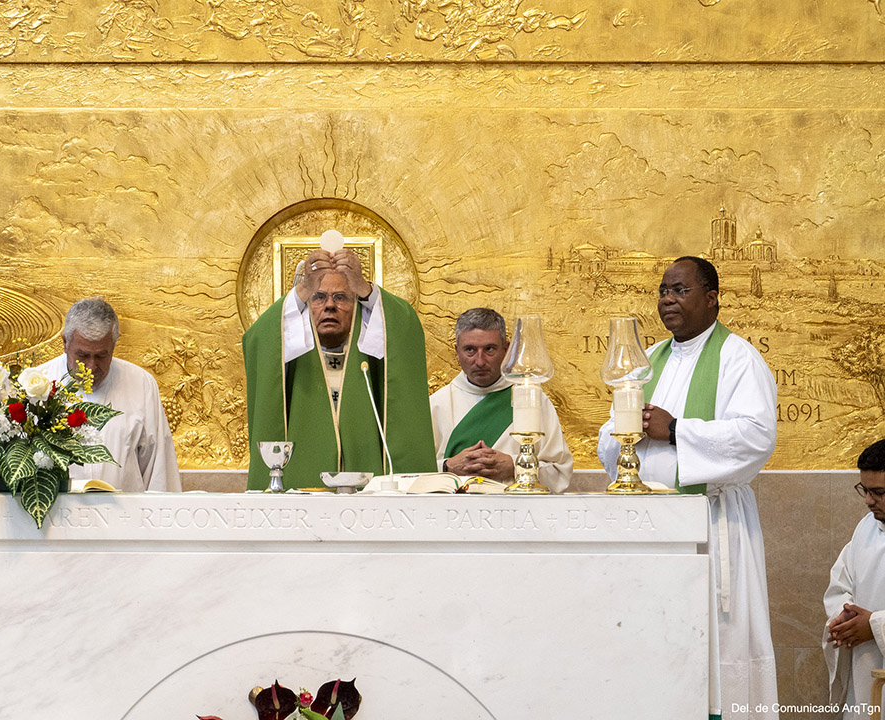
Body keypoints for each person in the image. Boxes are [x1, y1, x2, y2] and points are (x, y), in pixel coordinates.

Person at [597, 256, 778, 720]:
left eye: (679, 290)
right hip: (651, 530)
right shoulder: (647, 359)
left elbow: (757, 437)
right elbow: (607, 440)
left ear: (712, 297)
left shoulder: (738, 357)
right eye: (662, 291)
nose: (667, 300)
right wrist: (625, 433)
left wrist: (677, 430)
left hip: (714, 523)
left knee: (720, 646)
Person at [243, 248, 436, 490]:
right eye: (319, 297)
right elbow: (258, 340)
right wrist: (304, 288)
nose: (330, 305)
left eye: (342, 297)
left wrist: (364, 288)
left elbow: (405, 330)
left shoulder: (372, 353)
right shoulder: (290, 354)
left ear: (357, 307)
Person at [37, 297, 180, 492]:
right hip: (57, 518)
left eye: (101, 356)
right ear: (65, 343)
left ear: (114, 344)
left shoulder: (141, 383)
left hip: (126, 516)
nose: (91, 367)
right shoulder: (36, 384)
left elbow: (159, 469)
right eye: (83, 355)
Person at [429, 308, 572, 491]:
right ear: (457, 351)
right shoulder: (436, 405)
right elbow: (410, 474)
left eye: (489, 349)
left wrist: (514, 466)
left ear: (506, 349)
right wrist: (448, 467)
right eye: (470, 350)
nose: (480, 361)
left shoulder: (534, 401)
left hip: (517, 512)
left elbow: (560, 472)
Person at [823, 439, 885, 719]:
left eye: (879, 492)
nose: (868, 500)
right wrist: (843, 618)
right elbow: (840, 583)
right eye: (865, 490)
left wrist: (875, 625)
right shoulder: (866, 528)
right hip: (865, 668)